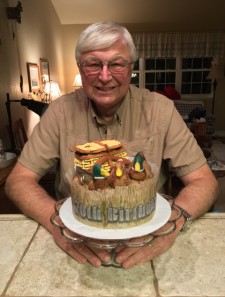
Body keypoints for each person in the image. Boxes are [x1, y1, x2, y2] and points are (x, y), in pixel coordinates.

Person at [5, 21, 218, 269]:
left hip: (146, 240)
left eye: (116, 63)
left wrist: (174, 224)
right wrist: (54, 221)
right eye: (94, 64)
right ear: (81, 68)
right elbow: (17, 181)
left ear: (130, 68)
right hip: (77, 240)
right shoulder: (59, 112)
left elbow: (206, 182)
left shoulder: (161, 109)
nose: (105, 77)